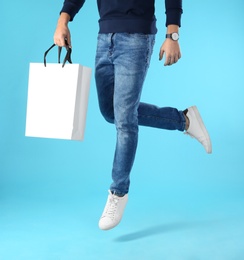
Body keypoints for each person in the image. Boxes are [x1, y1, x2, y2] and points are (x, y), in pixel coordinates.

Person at [54, 0, 212, 231]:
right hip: (104, 36)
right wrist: (63, 20)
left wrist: (173, 35)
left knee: (125, 120)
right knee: (112, 112)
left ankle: (118, 192)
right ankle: (184, 119)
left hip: (136, 37)